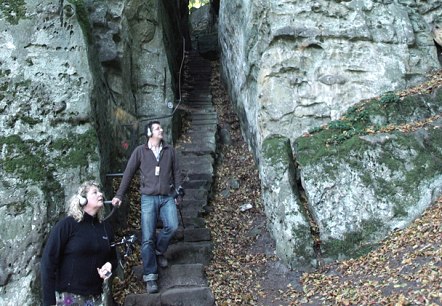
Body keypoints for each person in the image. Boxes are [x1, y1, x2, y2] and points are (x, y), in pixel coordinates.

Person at [111, 120, 183, 294]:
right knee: (147, 237)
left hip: (167, 197)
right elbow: (128, 173)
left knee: (172, 226)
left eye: (161, 128)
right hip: (148, 198)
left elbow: (177, 172)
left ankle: (158, 250)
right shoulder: (140, 152)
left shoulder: (169, 151)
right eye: (157, 128)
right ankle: (150, 276)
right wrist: (119, 195)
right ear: (149, 133)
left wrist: (179, 194)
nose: (161, 130)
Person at [41, 181, 116, 306]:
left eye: (100, 191)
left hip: (95, 297)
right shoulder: (67, 225)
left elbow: (113, 258)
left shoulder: (105, 227)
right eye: (95, 192)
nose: (100, 194)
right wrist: (49, 302)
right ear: (82, 199)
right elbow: (48, 262)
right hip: (68, 297)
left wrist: (109, 266)